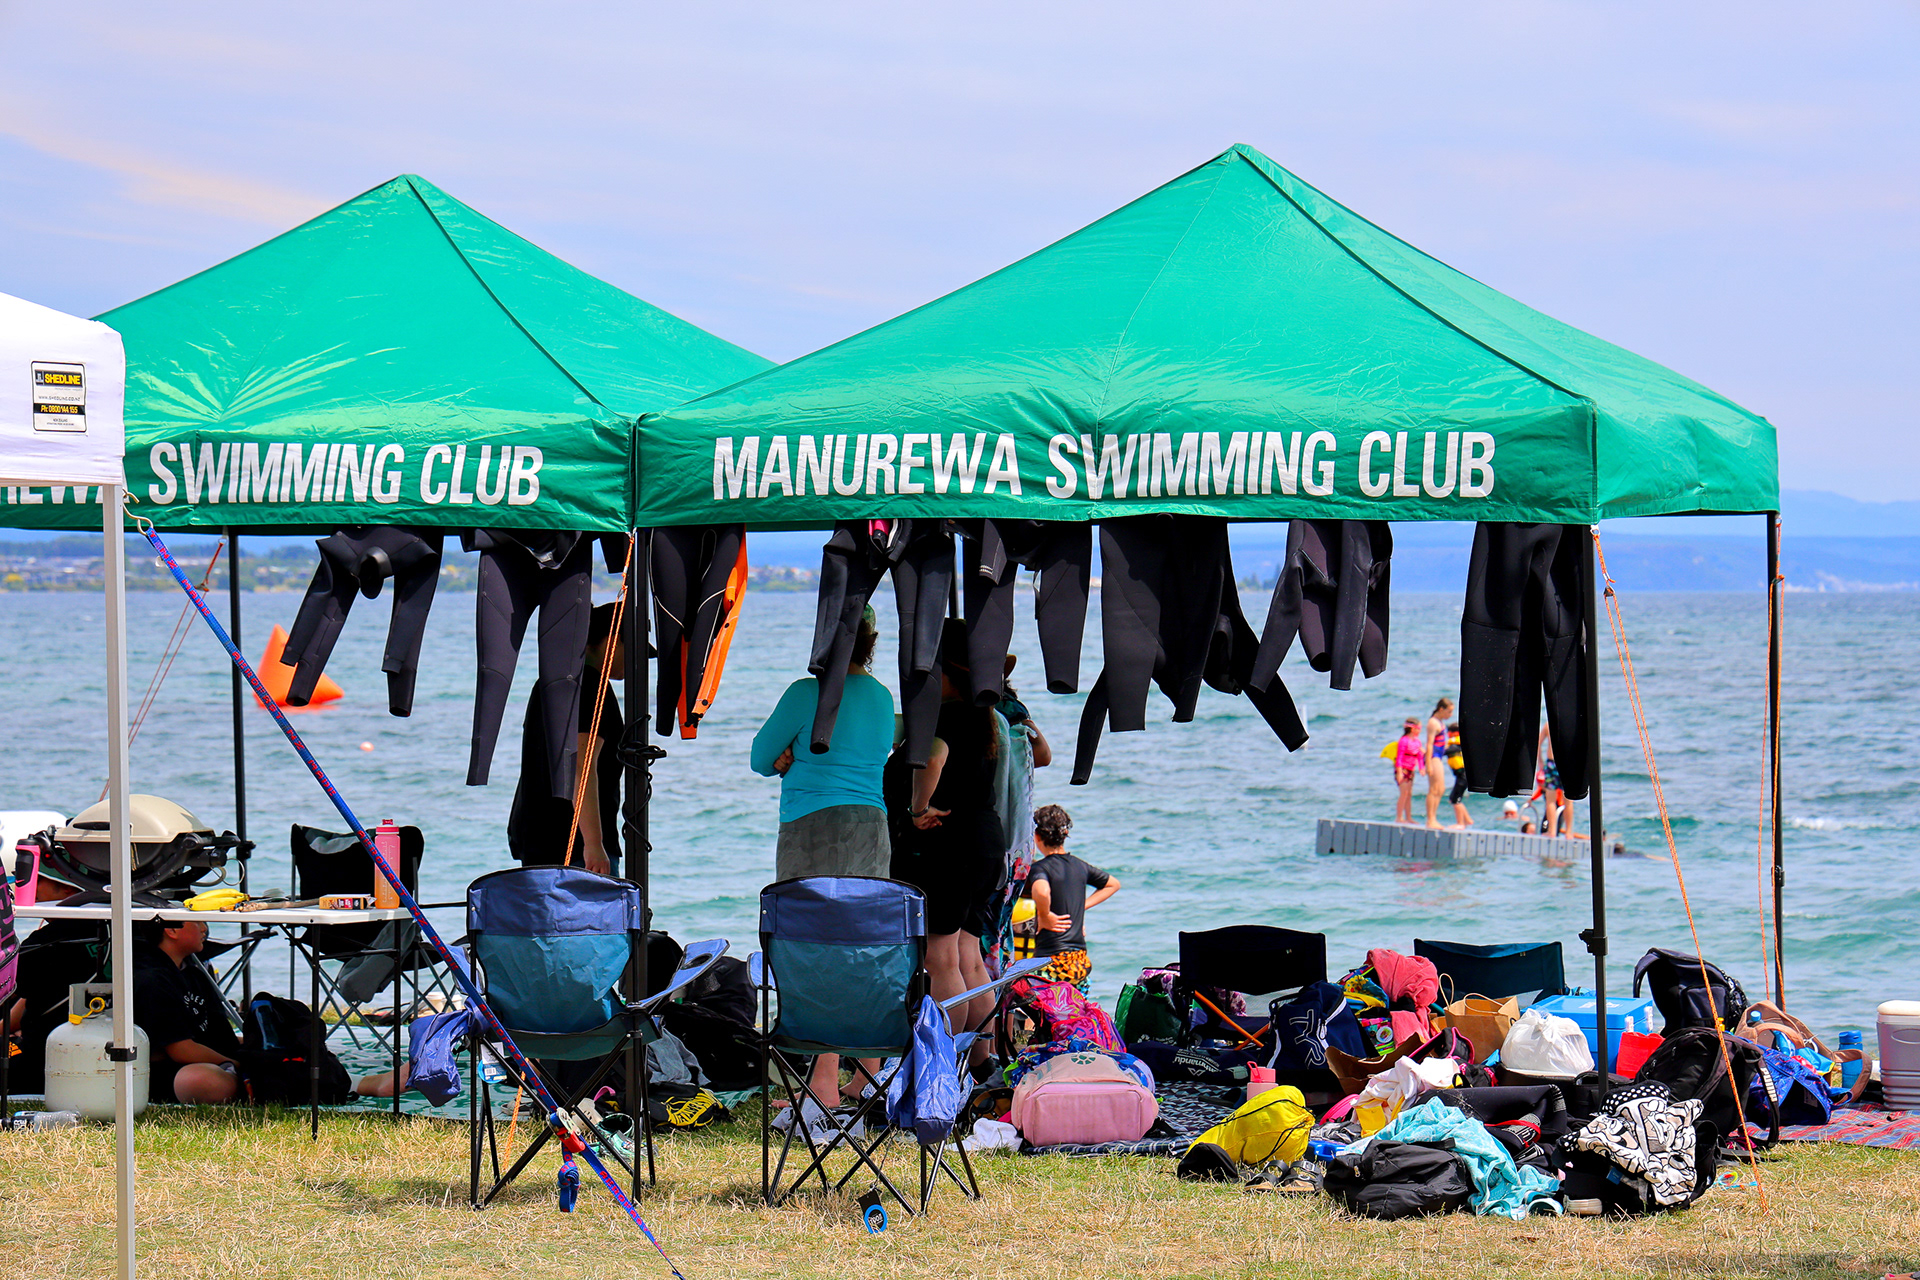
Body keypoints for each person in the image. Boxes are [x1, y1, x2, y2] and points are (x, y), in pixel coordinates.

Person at [751, 604, 893, 1117]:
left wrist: (787, 755)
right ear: (869, 644)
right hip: (871, 825)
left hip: (812, 826)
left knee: (816, 948)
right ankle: (869, 1072)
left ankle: (825, 1080)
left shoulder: (805, 693)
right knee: (866, 944)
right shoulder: (882, 696)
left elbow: (760, 758)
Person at [887, 623, 1004, 1047]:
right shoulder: (980, 715)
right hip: (984, 844)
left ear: (943, 673)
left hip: (947, 847)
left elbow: (933, 756)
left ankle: (944, 1062)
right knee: (968, 958)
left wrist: (918, 807)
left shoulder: (944, 717)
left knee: (940, 960)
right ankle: (980, 1060)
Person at [507, 603, 626, 873]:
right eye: (631, 650)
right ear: (612, 641)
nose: (635, 662)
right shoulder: (591, 687)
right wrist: (594, 844)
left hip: (540, 842)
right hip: (575, 849)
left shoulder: (549, 683)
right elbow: (580, 766)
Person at [131, 919, 244, 1104]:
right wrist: (237, 1064)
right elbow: (181, 1050)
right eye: (197, 923)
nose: (204, 928)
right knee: (205, 1081)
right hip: (165, 1072)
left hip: (208, 1061)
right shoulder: (150, 979)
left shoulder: (194, 974)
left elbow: (222, 1034)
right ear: (172, 930)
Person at [1024, 806, 1118, 989]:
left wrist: (1045, 915)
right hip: (1079, 964)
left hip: (1053, 964)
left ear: (1037, 837)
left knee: (1025, 997)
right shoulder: (1080, 866)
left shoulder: (1040, 868)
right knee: (1075, 1006)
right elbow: (1113, 884)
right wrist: (1080, 906)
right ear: (1065, 835)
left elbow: (1042, 891)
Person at [1423, 698, 1455, 829]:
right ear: (1441, 709)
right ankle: (1430, 820)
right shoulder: (1433, 722)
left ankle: (1433, 818)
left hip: (1439, 757)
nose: (1450, 715)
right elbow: (1429, 744)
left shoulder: (1440, 722)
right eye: (1449, 711)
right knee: (1434, 789)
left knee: (1440, 789)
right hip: (1433, 758)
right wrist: (1428, 764)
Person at [1391, 718, 1425, 823]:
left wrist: (1421, 768)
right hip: (1403, 769)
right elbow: (1399, 757)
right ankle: (1399, 817)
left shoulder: (1417, 742)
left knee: (1409, 794)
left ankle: (1408, 817)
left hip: (1411, 770)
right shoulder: (1404, 740)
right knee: (1404, 793)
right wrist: (1399, 772)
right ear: (1412, 729)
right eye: (1419, 728)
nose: (1420, 730)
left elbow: (1419, 756)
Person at [1444, 721, 1473, 828]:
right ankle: (1467, 820)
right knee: (1456, 797)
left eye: (1449, 732)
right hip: (1462, 775)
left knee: (1455, 798)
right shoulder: (1457, 743)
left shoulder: (1456, 744)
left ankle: (1460, 823)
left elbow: (1446, 751)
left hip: (1463, 775)